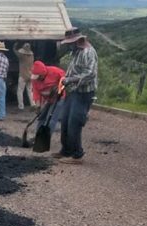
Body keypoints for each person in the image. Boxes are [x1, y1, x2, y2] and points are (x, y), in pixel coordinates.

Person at [57, 28, 98, 165]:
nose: (69, 45)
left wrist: (71, 80)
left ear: (78, 40)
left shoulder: (88, 52)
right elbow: (73, 69)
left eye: (70, 42)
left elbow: (90, 73)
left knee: (74, 122)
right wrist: (66, 79)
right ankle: (66, 150)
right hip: (72, 91)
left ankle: (77, 155)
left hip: (83, 92)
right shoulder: (76, 52)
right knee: (65, 120)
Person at [30, 60, 66, 131]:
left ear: (43, 74)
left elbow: (65, 80)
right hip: (47, 98)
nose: (37, 79)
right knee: (41, 117)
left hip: (59, 97)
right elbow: (36, 93)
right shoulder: (35, 80)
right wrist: (38, 106)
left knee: (51, 119)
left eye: (38, 77)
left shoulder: (55, 71)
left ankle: (46, 138)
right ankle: (38, 135)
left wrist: (59, 87)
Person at [14, 42, 35, 111]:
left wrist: (14, 46)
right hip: (30, 74)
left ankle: (21, 106)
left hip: (23, 75)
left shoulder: (22, 56)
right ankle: (33, 104)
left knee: (20, 91)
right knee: (30, 91)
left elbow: (15, 51)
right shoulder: (32, 56)